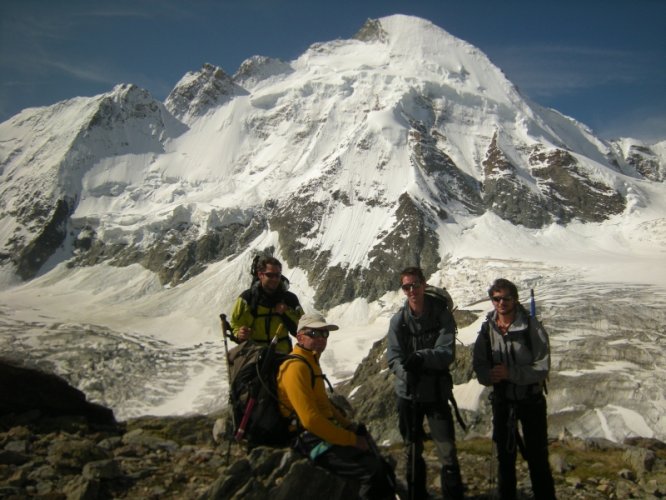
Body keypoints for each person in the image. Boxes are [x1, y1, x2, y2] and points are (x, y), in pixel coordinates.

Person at [277, 312, 396, 500]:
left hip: (319, 434)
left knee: (377, 462)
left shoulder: (310, 361)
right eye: (314, 334)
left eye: (324, 334)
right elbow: (310, 420)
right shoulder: (296, 367)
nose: (321, 339)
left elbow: (324, 404)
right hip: (307, 440)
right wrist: (350, 439)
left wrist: (348, 425)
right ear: (299, 337)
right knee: (370, 471)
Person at [472, 278, 556, 500]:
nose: (501, 303)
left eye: (506, 298)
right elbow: (479, 362)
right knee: (505, 459)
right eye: (496, 298)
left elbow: (542, 367)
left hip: (531, 401)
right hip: (503, 401)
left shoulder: (531, 327)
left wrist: (511, 374)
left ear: (515, 299)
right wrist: (487, 376)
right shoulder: (487, 329)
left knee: (537, 458)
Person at [386, 267, 464, 499]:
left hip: (435, 392)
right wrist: (406, 373)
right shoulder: (398, 321)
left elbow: (446, 352)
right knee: (412, 449)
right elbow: (393, 356)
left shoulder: (441, 315)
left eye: (415, 285)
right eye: (406, 287)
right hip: (409, 393)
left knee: (447, 450)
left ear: (424, 284)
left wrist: (421, 357)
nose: (412, 290)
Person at [230, 256, 303, 353]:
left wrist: (286, 312)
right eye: (270, 275)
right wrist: (239, 334)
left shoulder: (290, 299)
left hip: (282, 354)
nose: (274, 279)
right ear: (260, 275)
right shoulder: (247, 299)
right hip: (254, 353)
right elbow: (235, 324)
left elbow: (302, 329)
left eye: (277, 275)